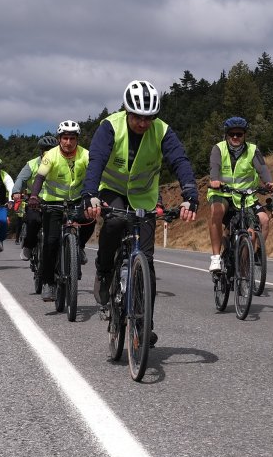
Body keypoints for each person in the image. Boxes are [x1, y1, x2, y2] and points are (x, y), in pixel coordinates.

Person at [83, 80, 198, 343]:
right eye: (138, 117)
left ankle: (144, 325)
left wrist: (190, 195)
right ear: (127, 111)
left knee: (146, 259)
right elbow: (97, 160)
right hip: (111, 190)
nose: (143, 123)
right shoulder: (110, 127)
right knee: (113, 223)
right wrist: (89, 195)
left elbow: (179, 161)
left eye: (149, 118)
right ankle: (103, 271)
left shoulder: (163, 131)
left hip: (144, 196)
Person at [27, 121, 96, 301]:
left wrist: (96, 196)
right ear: (59, 139)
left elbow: (95, 174)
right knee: (51, 242)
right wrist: (34, 196)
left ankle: (78, 247)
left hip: (77, 200)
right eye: (65, 138)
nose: (68, 142)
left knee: (91, 218)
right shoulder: (50, 155)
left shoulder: (86, 154)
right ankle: (49, 283)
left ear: (77, 140)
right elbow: (40, 177)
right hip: (53, 202)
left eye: (72, 138)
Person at [206, 116, 273, 276]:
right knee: (216, 211)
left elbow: (262, 169)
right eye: (232, 134)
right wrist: (215, 180)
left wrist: (268, 183)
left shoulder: (252, 150)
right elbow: (214, 167)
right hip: (222, 193)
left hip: (246, 196)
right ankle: (216, 257)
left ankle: (252, 256)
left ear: (245, 135)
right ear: (226, 135)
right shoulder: (218, 149)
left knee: (263, 221)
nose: (236, 137)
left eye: (239, 134)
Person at [13, 135, 58, 261]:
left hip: (55, 200)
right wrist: (16, 191)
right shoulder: (32, 164)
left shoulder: (61, 162)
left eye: (52, 149)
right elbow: (21, 179)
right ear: (41, 151)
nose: (49, 152)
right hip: (35, 201)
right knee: (34, 221)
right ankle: (28, 246)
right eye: (46, 149)